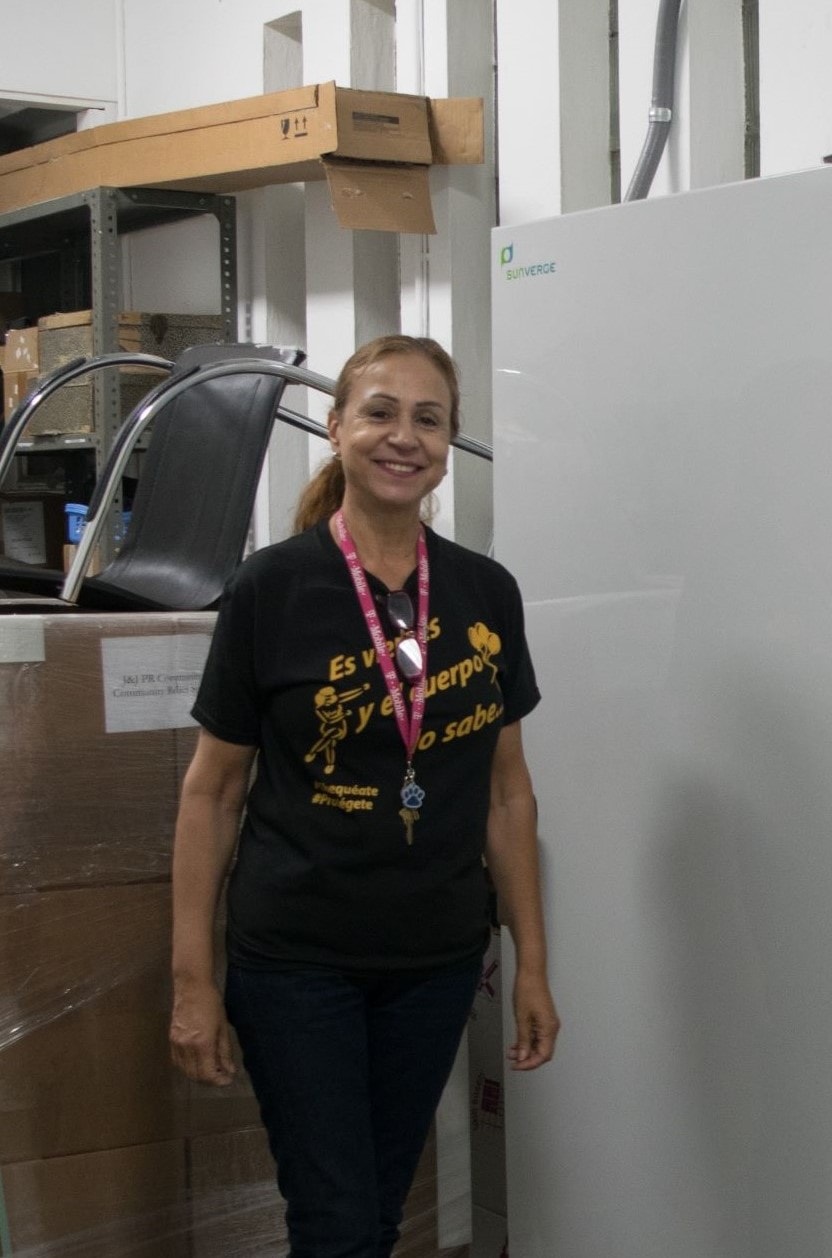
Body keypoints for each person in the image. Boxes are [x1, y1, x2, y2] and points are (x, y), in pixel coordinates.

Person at [167, 335, 559, 1257]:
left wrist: (531, 964)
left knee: (375, 1212)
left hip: (433, 958)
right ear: (337, 427)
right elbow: (212, 795)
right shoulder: (273, 588)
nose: (402, 436)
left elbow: (508, 797)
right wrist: (193, 980)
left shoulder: (483, 592)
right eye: (379, 411)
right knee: (338, 1220)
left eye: (428, 419)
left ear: (448, 442)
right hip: (297, 959)